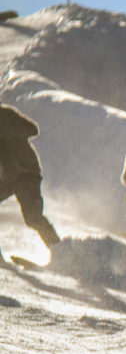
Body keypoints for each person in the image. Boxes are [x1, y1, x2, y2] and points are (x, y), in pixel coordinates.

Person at [0, 104, 61, 253]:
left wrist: (4, 129)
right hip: (9, 177)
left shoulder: (5, 114)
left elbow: (32, 129)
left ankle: (61, 252)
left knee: (32, 217)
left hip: (26, 172)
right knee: (32, 217)